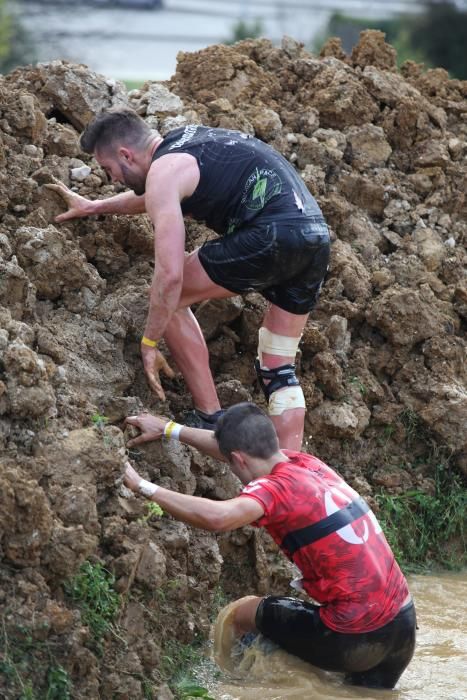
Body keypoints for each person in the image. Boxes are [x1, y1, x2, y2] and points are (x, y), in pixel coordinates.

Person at [47, 110, 330, 449]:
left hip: (269, 235)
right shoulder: (185, 143)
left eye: (109, 170)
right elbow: (155, 196)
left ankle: (209, 415)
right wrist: (94, 207)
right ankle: (290, 469)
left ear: (126, 154)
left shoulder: (163, 172)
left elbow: (169, 277)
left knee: (169, 299)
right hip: (314, 236)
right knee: (277, 361)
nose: (112, 180)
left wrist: (150, 341)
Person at [123, 403, 416, 689]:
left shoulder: (273, 490)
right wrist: (168, 429)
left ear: (238, 460)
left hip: (355, 635)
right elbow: (227, 448)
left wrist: (140, 485)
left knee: (241, 615)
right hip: (402, 629)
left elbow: (218, 517)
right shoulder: (308, 464)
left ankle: (244, 685)